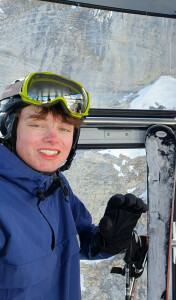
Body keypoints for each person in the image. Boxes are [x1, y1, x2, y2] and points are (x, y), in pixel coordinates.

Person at [0, 72, 148, 299]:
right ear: (8, 128)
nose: (53, 138)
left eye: (64, 129)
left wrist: (105, 242)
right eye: (37, 124)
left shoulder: (54, 185)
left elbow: (77, 241)